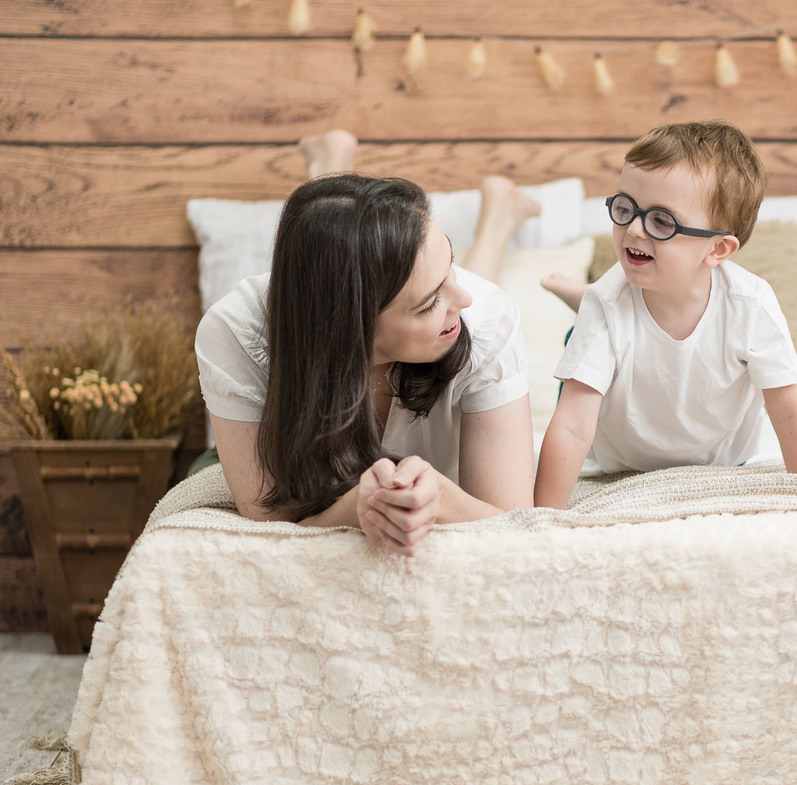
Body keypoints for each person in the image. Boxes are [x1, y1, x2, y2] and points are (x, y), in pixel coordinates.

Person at [196, 131, 540, 555]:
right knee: (333, 251)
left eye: (451, 261)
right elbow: (269, 526)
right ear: (352, 328)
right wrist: (356, 507)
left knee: (467, 303)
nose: (462, 297)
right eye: (429, 303)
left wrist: (444, 498)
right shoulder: (236, 332)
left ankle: (498, 217)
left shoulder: (486, 314)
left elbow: (514, 524)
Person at [534, 120, 797, 509]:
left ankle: (578, 298)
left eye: (661, 221)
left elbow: (790, 412)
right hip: (621, 460)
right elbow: (571, 426)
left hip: (721, 460)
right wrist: (543, 517)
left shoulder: (750, 304)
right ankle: (581, 306)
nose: (634, 229)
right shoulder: (608, 301)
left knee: (605, 312)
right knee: (594, 327)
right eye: (625, 208)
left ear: (717, 250)